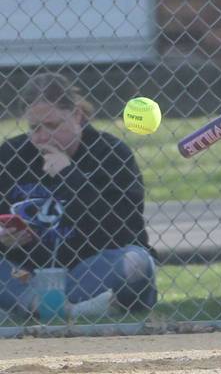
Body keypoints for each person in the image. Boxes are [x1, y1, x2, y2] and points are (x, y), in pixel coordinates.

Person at [0, 73, 157, 319]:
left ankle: (39, 308)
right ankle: (61, 308)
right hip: (27, 273)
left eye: (52, 126)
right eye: (34, 128)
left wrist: (69, 175)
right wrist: (6, 238)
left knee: (136, 261)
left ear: (77, 116)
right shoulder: (11, 155)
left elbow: (122, 229)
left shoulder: (110, 153)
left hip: (90, 269)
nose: (41, 137)